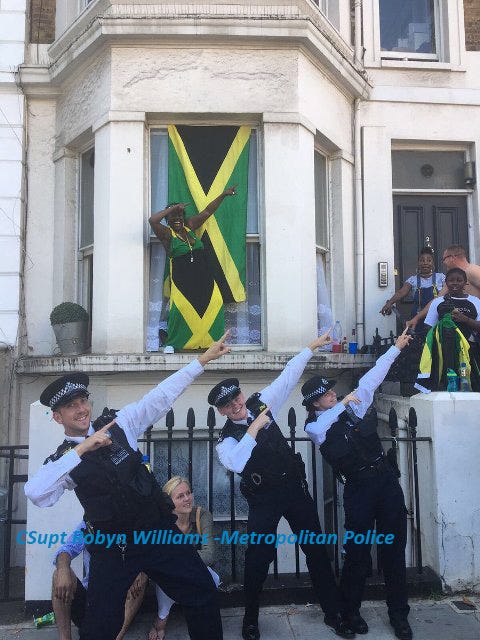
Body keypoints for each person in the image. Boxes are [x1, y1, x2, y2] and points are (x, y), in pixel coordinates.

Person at [24, 334, 230, 640]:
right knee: (98, 629)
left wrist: (201, 361)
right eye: (71, 406)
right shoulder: (63, 461)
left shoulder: (120, 423)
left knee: (202, 591)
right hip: (114, 548)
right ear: (57, 416)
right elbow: (36, 492)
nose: (81, 409)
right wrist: (82, 450)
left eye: (83, 401)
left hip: (157, 532)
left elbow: (160, 397)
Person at [209, 332, 355, 640]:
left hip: (294, 490)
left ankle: (334, 613)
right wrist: (252, 429)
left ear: (241, 394)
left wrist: (311, 347)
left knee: (316, 551)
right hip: (264, 499)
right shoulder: (226, 440)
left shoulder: (260, 403)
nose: (235, 405)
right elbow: (235, 463)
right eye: (227, 404)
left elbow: (288, 377)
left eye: (236, 398)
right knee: (258, 559)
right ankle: (250, 619)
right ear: (221, 411)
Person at [302, 328, 413, 640]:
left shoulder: (354, 406)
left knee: (393, 552)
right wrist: (341, 405)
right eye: (326, 395)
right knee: (357, 554)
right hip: (359, 490)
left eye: (332, 392)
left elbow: (373, 377)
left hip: (385, 483)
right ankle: (350, 612)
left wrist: (396, 348)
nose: (334, 395)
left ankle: (399, 615)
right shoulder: (316, 426)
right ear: (315, 404)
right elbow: (322, 424)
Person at [149, 186, 236, 351]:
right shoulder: (167, 234)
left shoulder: (189, 226)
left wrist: (223, 194)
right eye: (173, 216)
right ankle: (173, 343)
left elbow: (207, 212)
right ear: (167, 219)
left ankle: (213, 344)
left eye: (179, 215)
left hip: (204, 278)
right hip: (183, 280)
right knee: (179, 310)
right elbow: (152, 220)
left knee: (216, 304)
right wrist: (172, 208)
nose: (177, 219)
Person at [149, 476, 220, 640]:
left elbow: (209, 555)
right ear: (169, 501)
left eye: (188, 493)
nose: (187, 499)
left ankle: (198, 612)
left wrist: (177, 561)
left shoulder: (202, 516)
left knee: (211, 579)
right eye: (180, 496)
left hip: (197, 571)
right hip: (172, 574)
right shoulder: (162, 522)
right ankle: (161, 618)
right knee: (167, 577)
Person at [52, 521, 148, 640]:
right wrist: (63, 569)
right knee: (59, 574)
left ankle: (118, 637)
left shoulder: (134, 525)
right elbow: (66, 550)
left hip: (120, 606)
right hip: (90, 603)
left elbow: (149, 554)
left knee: (142, 577)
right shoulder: (90, 524)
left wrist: (139, 568)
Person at [415, 268, 480, 392]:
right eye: (451, 280)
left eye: (459, 280)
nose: (455, 283)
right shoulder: (438, 302)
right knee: (448, 379)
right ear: (446, 283)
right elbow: (429, 327)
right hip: (444, 351)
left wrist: (464, 319)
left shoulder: (475, 302)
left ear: (466, 283)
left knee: (467, 381)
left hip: (469, 350)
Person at [407, 245, 480, 329]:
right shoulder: (451, 279)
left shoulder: (473, 271)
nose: (443, 262)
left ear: (452, 257)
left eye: (444, 259)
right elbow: (436, 300)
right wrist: (416, 318)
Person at [380, 246, 445, 333]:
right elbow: (401, 292)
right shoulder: (412, 280)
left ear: (433, 263)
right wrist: (389, 303)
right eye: (422, 260)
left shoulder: (441, 277)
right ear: (418, 263)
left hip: (437, 317)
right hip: (418, 319)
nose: (425, 263)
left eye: (429, 260)